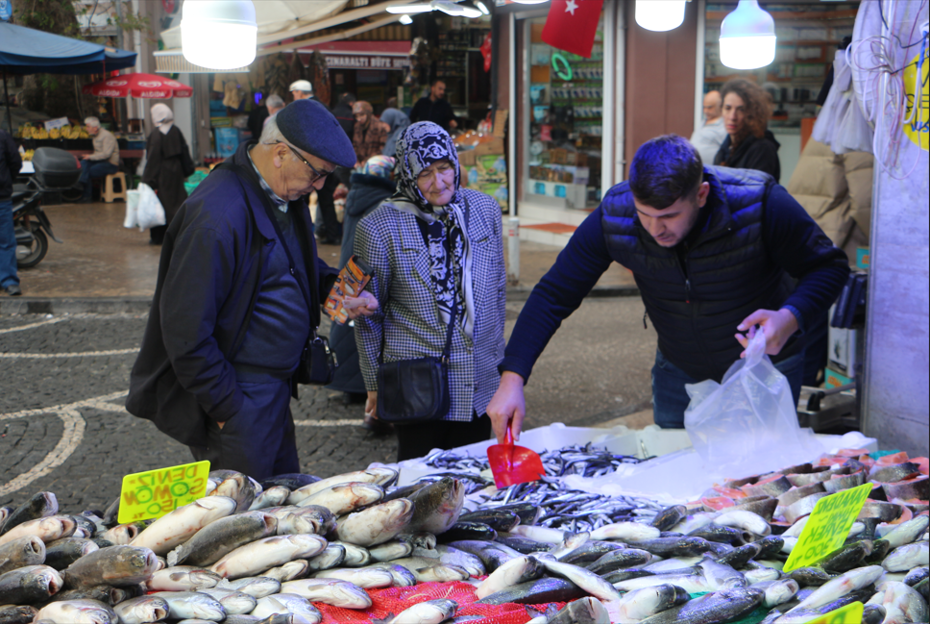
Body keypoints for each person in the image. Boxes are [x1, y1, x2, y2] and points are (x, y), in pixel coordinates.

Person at [487, 135, 850, 442]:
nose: (654, 229)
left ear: (702, 193)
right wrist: (512, 377)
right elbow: (554, 293)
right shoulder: (616, 213)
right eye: (644, 214)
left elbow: (829, 266)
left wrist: (789, 318)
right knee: (677, 483)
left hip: (763, 368)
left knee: (760, 482)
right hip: (678, 372)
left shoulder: (760, 203)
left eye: (669, 217)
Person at [126, 99, 378, 479]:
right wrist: (228, 407)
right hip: (241, 395)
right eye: (318, 173)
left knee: (281, 503)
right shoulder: (217, 215)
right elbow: (184, 331)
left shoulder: (279, 191)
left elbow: (286, 265)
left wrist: (334, 290)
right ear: (281, 153)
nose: (321, 186)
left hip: (272, 392)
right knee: (245, 520)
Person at [354, 122, 506, 461]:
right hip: (417, 386)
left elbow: (497, 290)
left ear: (455, 163)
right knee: (421, 489)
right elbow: (368, 315)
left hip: (479, 381)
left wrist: (500, 366)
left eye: (444, 168)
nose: (439, 183)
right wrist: (373, 383)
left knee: (472, 486)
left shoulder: (484, 210)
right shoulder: (379, 226)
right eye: (424, 173)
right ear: (406, 173)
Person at [326, 155, 396, 418]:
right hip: (368, 275)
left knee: (348, 326)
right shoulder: (384, 204)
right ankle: (364, 394)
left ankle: (349, 387)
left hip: (351, 273)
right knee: (368, 325)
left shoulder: (356, 197)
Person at [143, 104, 193, 246]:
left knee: (161, 205)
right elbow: (184, 151)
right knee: (176, 203)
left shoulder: (156, 134)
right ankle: (179, 233)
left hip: (162, 173)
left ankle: (159, 237)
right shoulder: (176, 130)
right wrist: (187, 169)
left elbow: (153, 158)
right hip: (176, 172)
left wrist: (148, 180)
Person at [714, 79, 781, 182]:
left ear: (752, 113)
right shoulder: (726, 146)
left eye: (741, 110)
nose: (732, 117)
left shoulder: (762, 149)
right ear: (721, 109)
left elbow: (755, 194)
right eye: (728, 108)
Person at [0, 127, 22, 296]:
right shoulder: (3, 136)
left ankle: (8, 280)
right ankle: (9, 281)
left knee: (6, 240)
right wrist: (7, 181)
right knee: (6, 241)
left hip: (2, 197)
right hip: (2, 196)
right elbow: (16, 163)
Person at [78, 117, 119, 203]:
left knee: (88, 171)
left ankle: (87, 196)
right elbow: (97, 154)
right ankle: (81, 181)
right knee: (83, 163)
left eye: (88, 127)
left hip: (110, 163)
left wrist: (90, 157)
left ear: (95, 127)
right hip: (100, 161)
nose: (86, 129)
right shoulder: (95, 136)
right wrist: (88, 157)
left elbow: (106, 154)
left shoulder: (107, 136)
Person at [690, 90, 727, 165]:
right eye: (704, 107)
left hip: (710, 172)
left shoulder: (724, 126)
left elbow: (727, 153)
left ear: (720, 106)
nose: (705, 111)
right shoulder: (703, 122)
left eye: (710, 108)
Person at [351, 101, 388, 166]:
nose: (359, 119)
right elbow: (355, 145)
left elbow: (383, 147)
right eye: (356, 116)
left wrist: (367, 160)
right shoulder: (357, 126)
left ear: (368, 114)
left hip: (375, 163)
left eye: (362, 115)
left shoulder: (379, 126)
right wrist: (356, 161)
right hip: (360, 164)